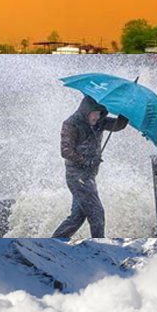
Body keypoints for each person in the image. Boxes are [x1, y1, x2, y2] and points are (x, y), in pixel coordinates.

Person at [52, 95, 128, 239]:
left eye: (100, 113)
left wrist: (125, 112)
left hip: (89, 176)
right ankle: (99, 249)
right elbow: (66, 151)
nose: (97, 117)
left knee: (76, 219)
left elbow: (118, 125)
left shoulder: (99, 122)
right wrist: (86, 161)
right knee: (97, 215)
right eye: (95, 113)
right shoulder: (71, 124)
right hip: (77, 177)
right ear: (86, 110)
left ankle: (52, 244)